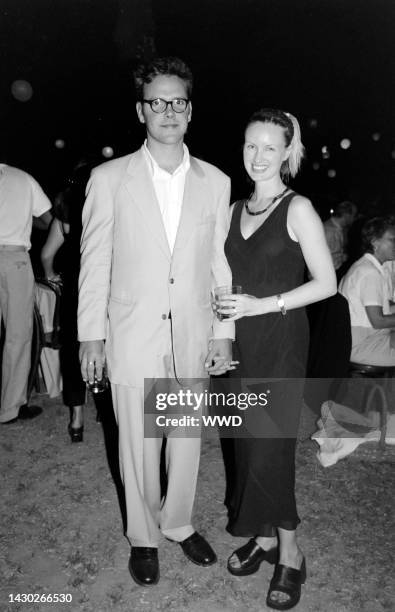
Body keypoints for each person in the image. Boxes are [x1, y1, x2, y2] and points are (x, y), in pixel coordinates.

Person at [77, 56, 234, 586]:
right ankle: (143, 537)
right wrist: (91, 336)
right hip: (132, 333)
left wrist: (223, 331)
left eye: (178, 101)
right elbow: (94, 262)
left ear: (190, 110)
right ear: (141, 111)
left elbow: (218, 264)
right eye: (157, 102)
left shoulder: (216, 181)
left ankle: (178, 522)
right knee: (139, 447)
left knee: (185, 439)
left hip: (190, 334)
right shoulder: (108, 178)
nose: (169, 110)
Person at [215, 108, 336, 610]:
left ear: (288, 151)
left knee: (271, 448)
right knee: (246, 443)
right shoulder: (232, 208)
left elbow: (326, 283)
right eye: (250, 145)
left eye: (270, 147)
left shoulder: (298, 207)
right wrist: (219, 333)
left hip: (281, 341)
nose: (258, 156)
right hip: (239, 343)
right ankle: (264, 538)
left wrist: (263, 304)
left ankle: (291, 552)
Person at [41, 164, 92, 442]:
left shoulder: (65, 211)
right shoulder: (105, 207)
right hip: (106, 287)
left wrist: (50, 275)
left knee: (74, 351)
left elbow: (47, 253)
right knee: (110, 346)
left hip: (75, 290)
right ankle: (107, 411)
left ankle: (76, 420)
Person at [0, 163, 52, 423]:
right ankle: (10, 408)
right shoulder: (23, 177)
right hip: (13, 259)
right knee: (17, 336)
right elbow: (47, 219)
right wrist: (22, 215)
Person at [339, 216, 395, 366]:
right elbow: (378, 320)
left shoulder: (369, 266)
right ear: (375, 242)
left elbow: (384, 307)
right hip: (360, 344)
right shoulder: (369, 273)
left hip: (364, 336)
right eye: (392, 240)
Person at [323, 200, 357, 280]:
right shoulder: (329, 231)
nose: (354, 219)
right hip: (327, 275)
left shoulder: (340, 228)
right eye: (354, 215)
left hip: (334, 271)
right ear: (347, 215)